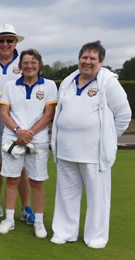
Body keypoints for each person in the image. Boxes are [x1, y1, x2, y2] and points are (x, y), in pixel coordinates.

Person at [50, 41, 131, 249]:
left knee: (98, 197)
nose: (87, 62)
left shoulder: (108, 83)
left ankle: (96, 236)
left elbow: (123, 115)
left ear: (101, 62)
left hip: (94, 153)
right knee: (66, 194)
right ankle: (64, 232)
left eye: (92, 58)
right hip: (67, 150)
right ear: (79, 60)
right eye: (84, 58)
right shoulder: (68, 81)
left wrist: (108, 137)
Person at [0, 49, 57, 238]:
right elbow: (4, 113)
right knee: (12, 180)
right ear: (20, 65)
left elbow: (48, 114)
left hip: (36, 139)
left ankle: (38, 221)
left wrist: (29, 133)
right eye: (26, 62)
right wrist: (18, 131)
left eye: (33, 62)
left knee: (37, 181)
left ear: (39, 65)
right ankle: (9, 219)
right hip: (13, 137)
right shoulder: (9, 86)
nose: (29, 66)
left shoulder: (49, 85)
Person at [0, 24, 34, 223]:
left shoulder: (26, 64)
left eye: (9, 40)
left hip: (19, 127)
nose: (5, 44)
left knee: (21, 168)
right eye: (1, 40)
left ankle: (26, 207)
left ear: (16, 42)